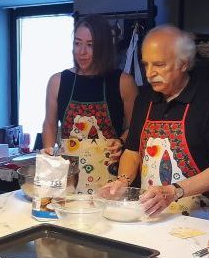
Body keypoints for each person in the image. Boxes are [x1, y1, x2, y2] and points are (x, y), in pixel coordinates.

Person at [102, 25, 209, 221]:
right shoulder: (144, 99)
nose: (150, 73)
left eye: (159, 65)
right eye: (146, 64)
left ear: (183, 63)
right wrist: (122, 181)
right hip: (151, 213)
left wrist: (173, 191)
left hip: (201, 218)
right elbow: (133, 152)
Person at [42, 14, 138, 194]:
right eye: (77, 43)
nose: (82, 52)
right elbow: (49, 123)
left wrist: (122, 142)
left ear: (103, 48)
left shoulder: (123, 82)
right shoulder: (58, 81)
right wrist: (48, 152)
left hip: (110, 180)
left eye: (90, 45)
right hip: (68, 178)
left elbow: (136, 128)